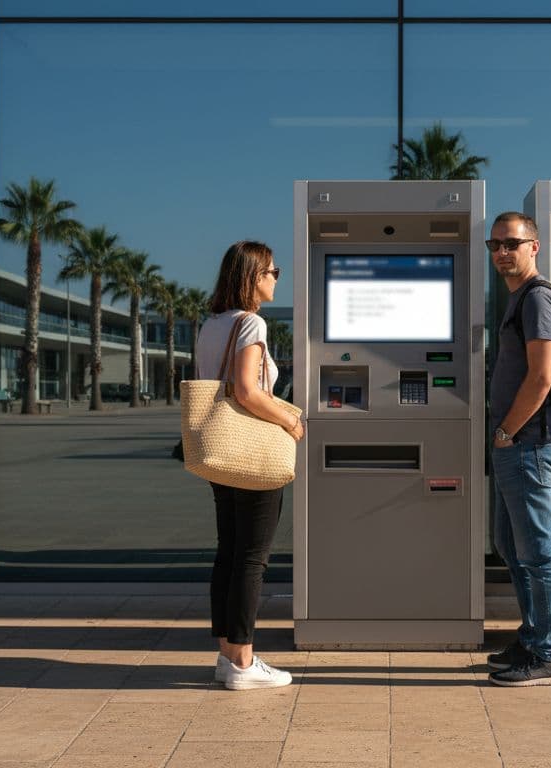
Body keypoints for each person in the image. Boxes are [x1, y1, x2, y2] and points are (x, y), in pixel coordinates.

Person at [194, 240, 305, 690]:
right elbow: (246, 390)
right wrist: (290, 419)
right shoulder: (251, 324)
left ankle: (227, 655)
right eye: (272, 272)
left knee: (230, 551)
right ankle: (243, 662)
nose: (277, 279)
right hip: (253, 452)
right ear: (253, 276)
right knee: (253, 558)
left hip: (222, 450)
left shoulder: (210, 325)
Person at [485, 211, 551, 687]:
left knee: (538, 552)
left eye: (511, 244)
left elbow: (542, 377)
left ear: (533, 247)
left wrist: (506, 431)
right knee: (510, 545)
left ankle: (548, 655)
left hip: (530, 445)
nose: (502, 252)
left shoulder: (537, 300)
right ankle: (533, 637)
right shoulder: (519, 300)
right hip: (518, 445)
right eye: (494, 245)